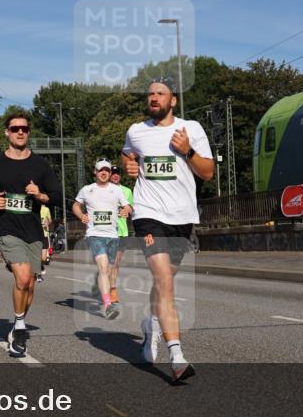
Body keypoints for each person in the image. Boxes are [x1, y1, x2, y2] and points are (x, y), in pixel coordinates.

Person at [122, 78, 214, 382]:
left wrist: (188, 151)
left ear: (172, 100)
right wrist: (129, 164)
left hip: (182, 217)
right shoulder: (137, 131)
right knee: (163, 279)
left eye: (160, 94)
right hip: (148, 214)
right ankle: (177, 356)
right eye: (150, 94)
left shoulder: (191, 129)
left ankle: (151, 324)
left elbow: (208, 173)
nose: (154, 98)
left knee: (165, 282)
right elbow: (127, 153)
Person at [0, 111, 62, 358]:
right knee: (22, 278)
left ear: (28, 132)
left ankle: (17, 324)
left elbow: (56, 195)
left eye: (24, 128)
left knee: (29, 283)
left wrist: (40, 195)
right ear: (6, 133)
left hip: (32, 230)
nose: (20, 132)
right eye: (15, 129)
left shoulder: (40, 165)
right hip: (7, 228)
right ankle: (20, 328)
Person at [73, 159, 131, 319]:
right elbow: (75, 205)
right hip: (94, 234)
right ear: (95, 172)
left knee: (108, 270)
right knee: (104, 267)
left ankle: (105, 294)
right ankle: (107, 305)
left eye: (107, 170)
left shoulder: (116, 190)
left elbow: (127, 206)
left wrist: (126, 211)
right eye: (101, 170)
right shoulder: (87, 190)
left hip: (113, 235)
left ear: (110, 173)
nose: (104, 172)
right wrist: (81, 215)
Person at [109, 165, 134, 304]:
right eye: (113, 173)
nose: (116, 176)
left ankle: (112, 289)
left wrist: (127, 211)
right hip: (106, 231)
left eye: (118, 173)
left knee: (116, 263)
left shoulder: (127, 191)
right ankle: (108, 286)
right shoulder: (103, 190)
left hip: (122, 232)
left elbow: (131, 209)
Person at [38, 205, 52, 283]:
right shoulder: (33, 208)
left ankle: (41, 266)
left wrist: (48, 222)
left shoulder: (46, 209)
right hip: (35, 235)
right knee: (36, 256)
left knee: (43, 258)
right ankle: (38, 275)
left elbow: (50, 220)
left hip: (44, 235)